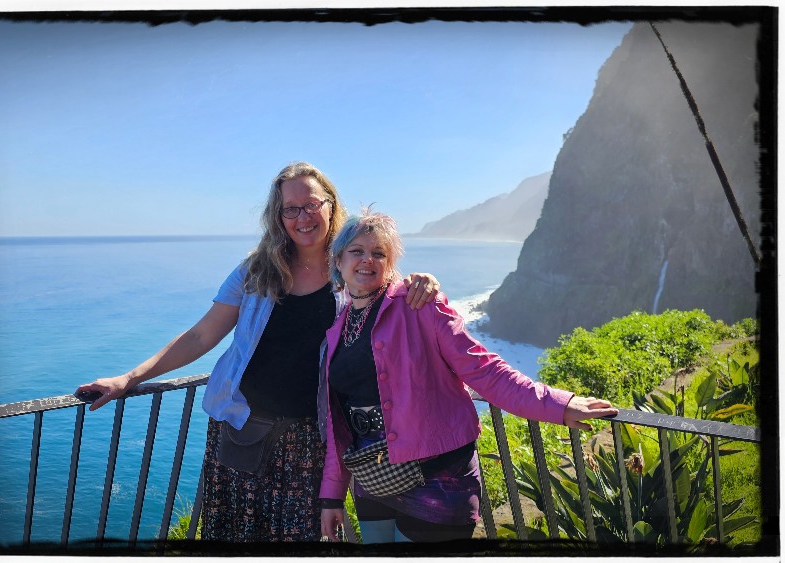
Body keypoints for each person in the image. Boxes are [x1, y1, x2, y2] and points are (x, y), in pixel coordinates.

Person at [74, 162, 440, 542]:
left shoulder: (354, 267)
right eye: (290, 209)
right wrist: (128, 379)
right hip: (241, 430)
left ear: (331, 205)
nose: (303, 217)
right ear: (278, 216)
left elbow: (397, 306)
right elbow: (201, 336)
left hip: (310, 443)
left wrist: (424, 284)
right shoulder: (257, 270)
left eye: (312, 204)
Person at [318, 209, 618, 543]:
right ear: (339, 260)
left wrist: (559, 405)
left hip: (437, 479)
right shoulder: (337, 328)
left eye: (379, 253)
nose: (367, 260)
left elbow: (485, 371)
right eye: (357, 251)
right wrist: (332, 496)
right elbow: (338, 424)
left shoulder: (419, 305)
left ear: (389, 263)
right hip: (373, 481)